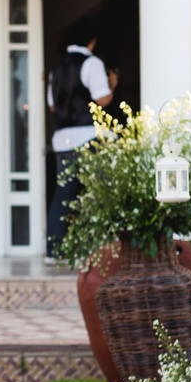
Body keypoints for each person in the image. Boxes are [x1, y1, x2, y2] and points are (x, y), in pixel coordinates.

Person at [46, 18, 118, 261]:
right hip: (90, 136)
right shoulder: (92, 63)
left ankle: (54, 251)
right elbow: (101, 99)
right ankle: (98, 249)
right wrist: (112, 85)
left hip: (62, 140)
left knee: (63, 194)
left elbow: (53, 108)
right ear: (92, 41)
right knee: (98, 192)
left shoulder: (55, 70)